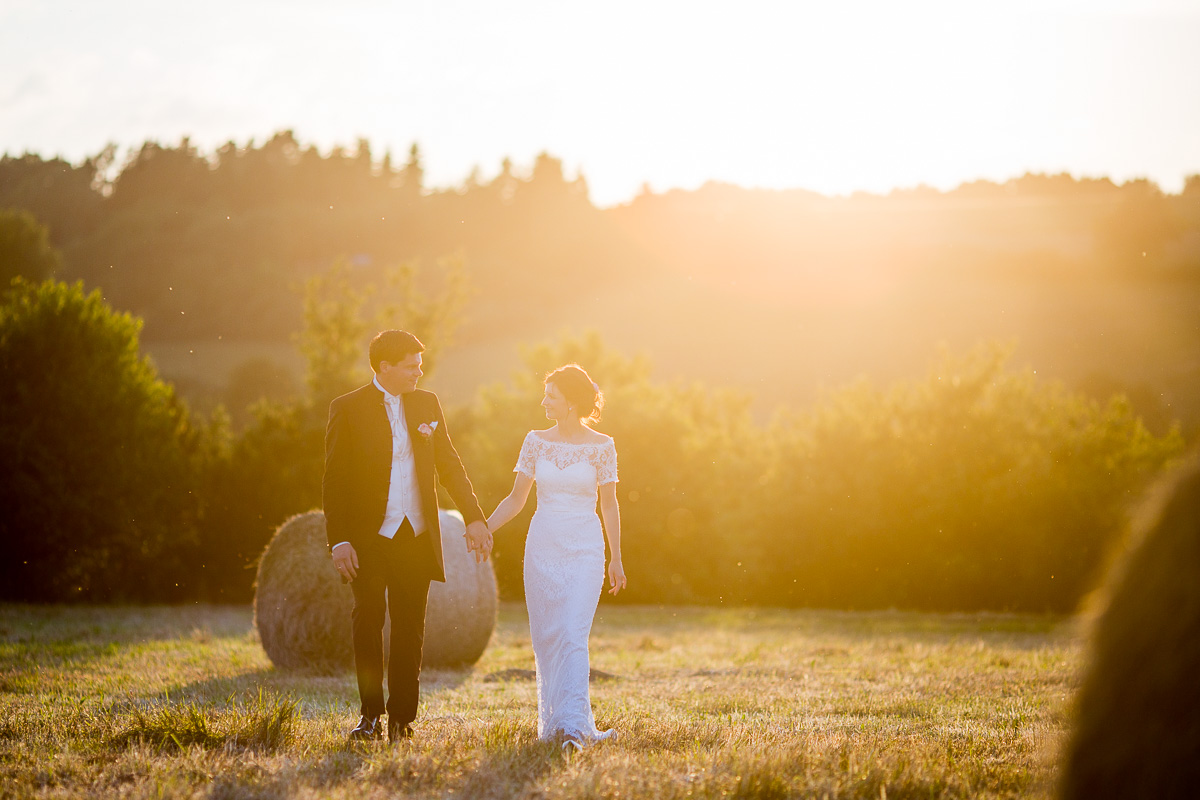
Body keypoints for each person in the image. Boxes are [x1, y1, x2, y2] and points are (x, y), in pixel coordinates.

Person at [323, 329, 492, 744]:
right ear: (385, 367)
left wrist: (474, 517)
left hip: (415, 534)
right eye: (411, 365)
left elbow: (449, 463)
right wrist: (339, 539)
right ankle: (369, 716)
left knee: (410, 628)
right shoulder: (347, 408)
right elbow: (335, 481)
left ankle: (401, 720)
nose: (420, 371)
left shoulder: (427, 403)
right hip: (368, 537)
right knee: (367, 620)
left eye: (420, 364)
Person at [486, 363, 627, 747]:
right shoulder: (535, 441)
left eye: (551, 395)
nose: (544, 400)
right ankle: (555, 725)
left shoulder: (603, 446)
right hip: (543, 547)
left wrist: (616, 558)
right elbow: (516, 499)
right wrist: (484, 528)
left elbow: (610, 505)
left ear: (570, 401)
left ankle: (575, 728)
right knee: (548, 636)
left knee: (572, 631)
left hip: (585, 547)